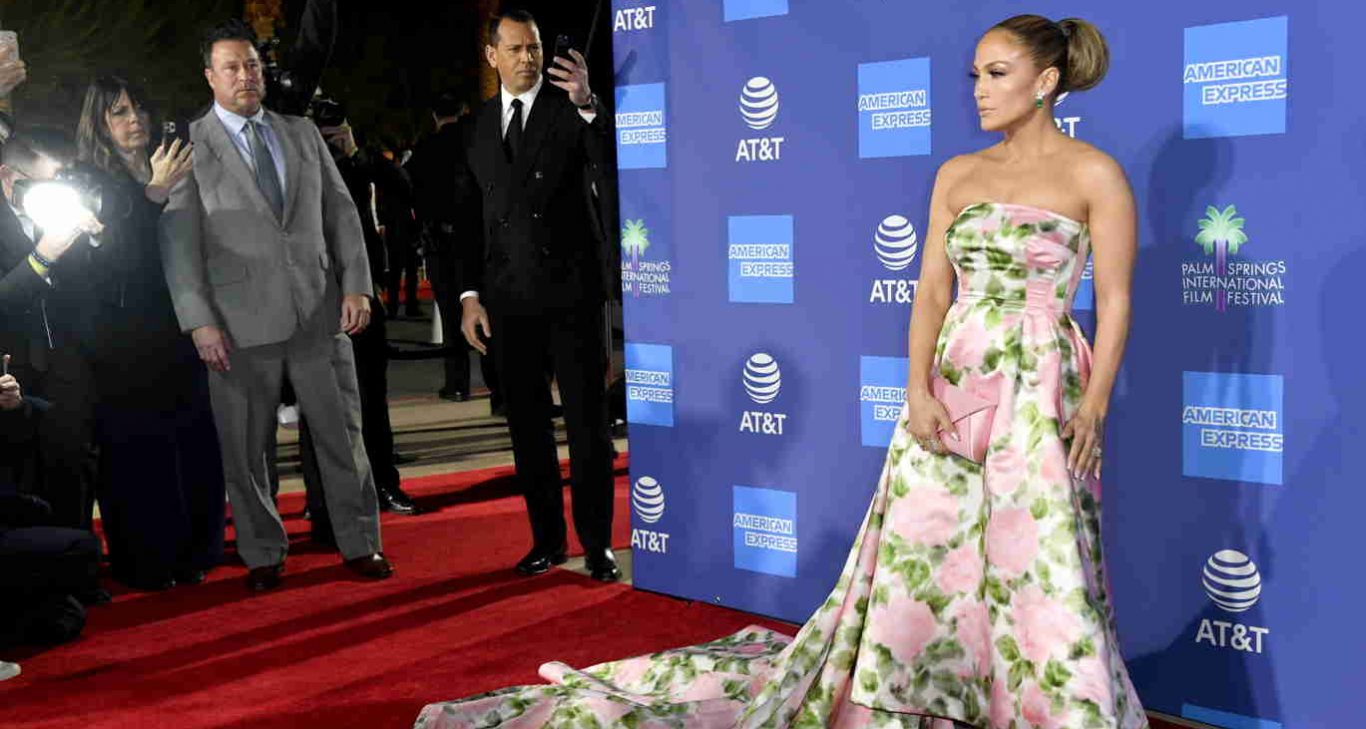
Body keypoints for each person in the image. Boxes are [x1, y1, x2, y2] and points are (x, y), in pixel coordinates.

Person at [417, 14, 1148, 729]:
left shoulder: (1095, 175)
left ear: (1046, 82)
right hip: (953, 382)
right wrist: (917, 389)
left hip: (1043, 383)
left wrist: (1093, 405)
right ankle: (924, 697)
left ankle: (1054, 706)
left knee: (1045, 553)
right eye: (975, 75)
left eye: (997, 74)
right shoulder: (958, 175)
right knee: (931, 551)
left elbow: (1115, 299)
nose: (979, 89)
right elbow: (931, 291)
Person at [160, 19, 392, 593]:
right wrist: (200, 322)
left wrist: (357, 286)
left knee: (344, 437)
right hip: (236, 324)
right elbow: (179, 246)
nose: (246, 76)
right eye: (232, 67)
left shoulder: (301, 133)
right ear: (210, 76)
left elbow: (341, 213)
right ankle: (263, 553)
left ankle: (361, 541)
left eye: (252, 65)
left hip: (319, 312)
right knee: (246, 448)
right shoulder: (190, 147)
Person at [457, 9, 618, 582]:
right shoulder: (477, 127)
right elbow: (468, 221)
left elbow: (607, 158)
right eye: (516, 48)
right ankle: (546, 541)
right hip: (508, 303)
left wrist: (587, 103)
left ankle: (597, 544)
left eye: (535, 47)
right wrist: (469, 296)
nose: (528, 57)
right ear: (492, 56)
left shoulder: (569, 109)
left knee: (587, 427)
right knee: (527, 429)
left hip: (573, 297)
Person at [75, 76, 227, 591]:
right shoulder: (87, 178)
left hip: (177, 325)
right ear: (99, 123)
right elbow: (112, 258)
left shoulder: (170, 163)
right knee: (139, 452)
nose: (133, 119)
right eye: (118, 111)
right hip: (122, 337)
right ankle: (147, 559)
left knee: (193, 439)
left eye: (138, 107)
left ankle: (196, 549)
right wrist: (154, 193)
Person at [0, 129, 105, 529]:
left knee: (74, 470)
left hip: (68, 367)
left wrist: (95, 240)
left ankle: (77, 553)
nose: (54, 195)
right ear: (9, 177)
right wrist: (42, 256)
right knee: (25, 481)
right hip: (13, 373)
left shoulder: (64, 214)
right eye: (43, 185)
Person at [405, 91, 501, 409]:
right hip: (478, 239)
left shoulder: (423, 150)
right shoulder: (475, 142)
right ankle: (499, 390)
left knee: (450, 315)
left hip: (440, 241)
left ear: (435, 116)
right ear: (463, 110)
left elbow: (409, 193)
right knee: (487, 312)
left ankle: (457, 384)